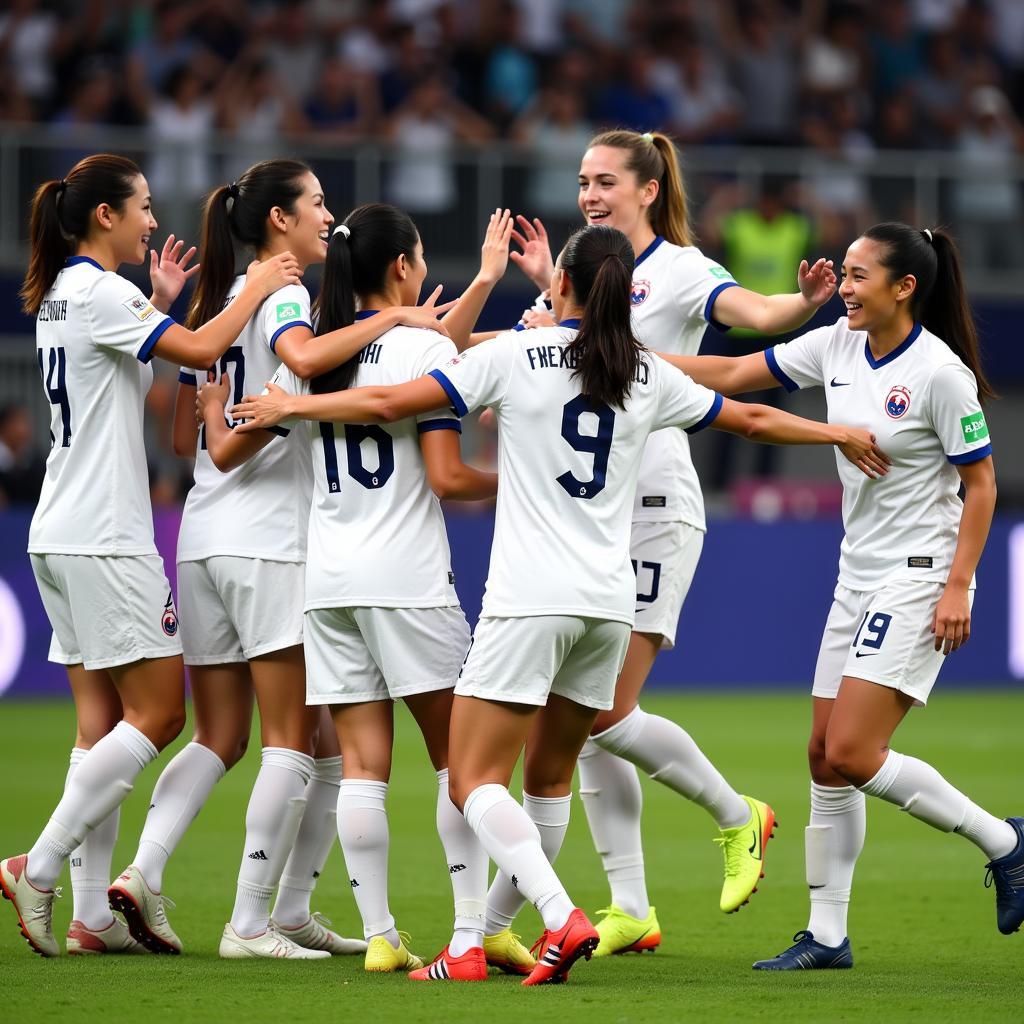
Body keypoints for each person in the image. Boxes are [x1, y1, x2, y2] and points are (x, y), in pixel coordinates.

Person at [228, 223, 882, 985]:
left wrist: (291, 410)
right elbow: (754, 418)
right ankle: (486, 938)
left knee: (473, 780)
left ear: (561, 283)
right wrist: (838, 431)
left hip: (526, 601)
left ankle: (547, 918)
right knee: (548, 777)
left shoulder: (512, 358)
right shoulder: (641, 369)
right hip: (607, 608)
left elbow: (381, 402)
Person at [496, 129, 840, 957]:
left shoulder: (681, 268)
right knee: (581, 716)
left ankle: (737, 814)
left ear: (649, 189)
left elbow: (752, 318)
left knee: (602, 710)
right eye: (582, 180)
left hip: (654, 505)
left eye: (606, 180)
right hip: (596, 517)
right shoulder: (588, 268)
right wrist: (548, 296)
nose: (589, 193)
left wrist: (801, 304)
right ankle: (632, 904)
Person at [113, 159, 455, 960]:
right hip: (272, 542)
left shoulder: (216, 304)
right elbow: (302, 364)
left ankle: (151, 871)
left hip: (201, 537)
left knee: (226, 735)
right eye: (316, 204)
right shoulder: (286, 293)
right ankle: (250, 921)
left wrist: (237, 421)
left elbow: (183, 439)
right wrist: (393, 323)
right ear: (279, 222)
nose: (326, 218)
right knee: (293, 741)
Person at [660, 222, 1024, 968]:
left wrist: (959, 586)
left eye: (858, 276)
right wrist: (615, 356)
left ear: (905, 288)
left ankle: (1007, 842)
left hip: (920, 573)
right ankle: (828, 936)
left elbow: (981, 483)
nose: (843, 288)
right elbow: (729, 378)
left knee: (856, 751)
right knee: (825, 758)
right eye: (844, 274)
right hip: (856, 572)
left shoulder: (939, 372)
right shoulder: (834, 345)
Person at [199, 203, 512, 978]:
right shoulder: (419, 352)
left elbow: (231, 446)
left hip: (327, 582)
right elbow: (446, 474)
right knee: (459, 765)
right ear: (405, 268)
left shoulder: (306, 362)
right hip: (407, 580)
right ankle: (470, 929)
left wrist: (210, 414)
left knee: (364, 765)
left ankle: (380, 935)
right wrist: (524, 482)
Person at [0, 153, 300, 958]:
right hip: (106, 535)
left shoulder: (61, 293)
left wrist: (162, 304)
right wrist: (264, 288)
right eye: (139, 207)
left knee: (101, 725)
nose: (151, 220)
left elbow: (145, 361)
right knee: (163, 714)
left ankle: (94, 915)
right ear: (105, 215)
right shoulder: (102, 291)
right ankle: (41, 862)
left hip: (55, 533)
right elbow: (202, 353)